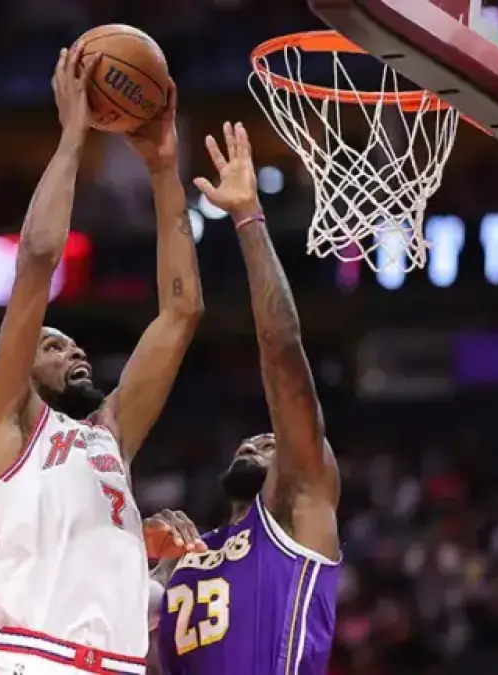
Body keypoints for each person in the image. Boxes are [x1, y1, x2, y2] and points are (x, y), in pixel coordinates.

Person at [0, 46, 206, 675]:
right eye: (52, 345)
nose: (73, 349)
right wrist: (74, 136)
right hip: (39, 661)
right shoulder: (6, 423)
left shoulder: (109, 434)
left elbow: (181, 313)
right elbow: (36, 262)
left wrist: (164, 169)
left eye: (73, 344)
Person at [154, 122, 342, 674]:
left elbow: (281, 347)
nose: (258, 440)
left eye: (271, 440)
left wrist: (247, 218)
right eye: (253, 438)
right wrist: (139, 567)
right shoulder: (188, 555)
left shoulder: (299, 505)